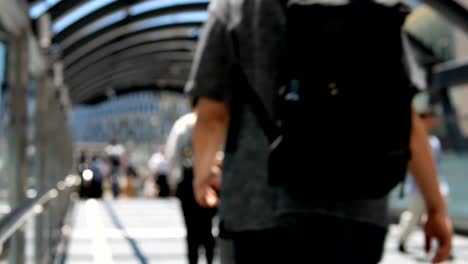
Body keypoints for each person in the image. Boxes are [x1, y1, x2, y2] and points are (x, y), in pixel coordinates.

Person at [186, 0, 453, 263]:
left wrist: (203, 174)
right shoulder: (373, 8)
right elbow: (404, 118)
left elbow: (213, 113)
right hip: (358, 212)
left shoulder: (235, 8)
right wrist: (435, 206)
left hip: (258, 213)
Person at [165, 112, 218, 264]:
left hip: (187, 182)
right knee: (207, 227)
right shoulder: (212, 121)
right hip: (209, 180)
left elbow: (172, 156)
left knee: (191, 229)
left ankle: (193, 260)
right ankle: (209, 259)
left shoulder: (182, 124)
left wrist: (174, 184)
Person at [398, 109, 451, 253]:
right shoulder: (415, 138)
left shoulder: (434, 142)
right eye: (431, 118)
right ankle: (402, 240)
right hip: (416, 188)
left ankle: (438, 245)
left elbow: (436, 169)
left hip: (432, 187)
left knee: (434, 215)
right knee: (416, 216)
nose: (434, 122)